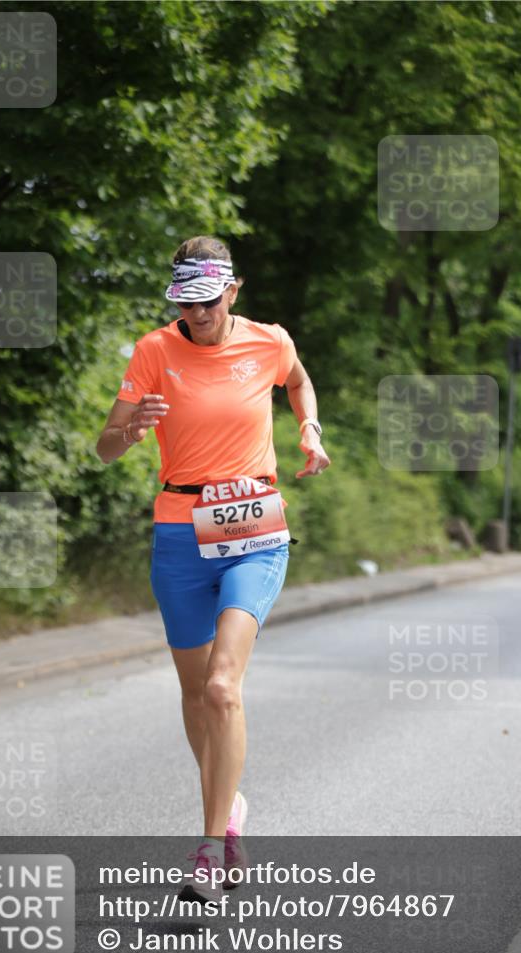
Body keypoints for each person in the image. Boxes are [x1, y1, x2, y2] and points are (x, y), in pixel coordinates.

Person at [96, 235, 330, 903]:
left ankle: (206, 849)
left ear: (232, 290)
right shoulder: (152, 351)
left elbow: (298, 380)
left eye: (207, 301)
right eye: (185, 303)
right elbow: (106, 448)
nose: (196, 314)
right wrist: (131, 427)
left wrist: (308, 428)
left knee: (224, 686)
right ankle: (229, 813)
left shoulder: (268, 341)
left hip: (255, 529)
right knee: (196, 692)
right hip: (178, 532)